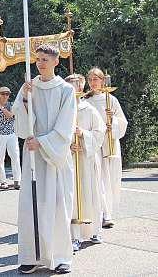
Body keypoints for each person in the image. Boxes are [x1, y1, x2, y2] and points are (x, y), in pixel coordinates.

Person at [13, 45, 76, 274]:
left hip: (55, 156)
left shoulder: (66, 90)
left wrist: (43, 142)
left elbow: (66, 126)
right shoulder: (29, 87)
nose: (40, 63)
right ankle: (31, 256)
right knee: (31, 205)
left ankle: (60, 257)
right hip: (33, 156)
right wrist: (25, 99)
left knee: (58, 205)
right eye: (38, 59)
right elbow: (20, 122)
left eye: (45, 59)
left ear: (56, 62)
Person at [65, 74, 106, 252]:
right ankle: (75, 236)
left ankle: (94, 231)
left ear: (81, 88)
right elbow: (56, 133)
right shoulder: (63, 110)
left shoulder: (89, 109)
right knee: (73, 197)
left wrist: (83, 134)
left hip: (87, 159)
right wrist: (68, 145)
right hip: (70, 159)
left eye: (74, 86)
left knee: (91, 194)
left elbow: (100, 132)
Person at [86, 67, 128, 229]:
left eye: (95, 79)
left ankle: (108, 212)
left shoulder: (111, 100)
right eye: (90, 80)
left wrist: (113, 123)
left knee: (110, 178)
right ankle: (103, 213)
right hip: (94, 143)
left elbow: (122, 121)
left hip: (109, 142)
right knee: (98, 178)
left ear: (102, 80)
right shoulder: (86, 100)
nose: (92, 83)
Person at [0, 87, 21, 189]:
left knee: (15, 157)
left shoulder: (11, 105)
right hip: (0, 135)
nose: (5, 96)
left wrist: (1, 107)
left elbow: (11, 116)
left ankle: (17, 180)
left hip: (12, 134)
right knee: (0, 158)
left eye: (7, 94)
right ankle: (3, 181)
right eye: (3, 94)